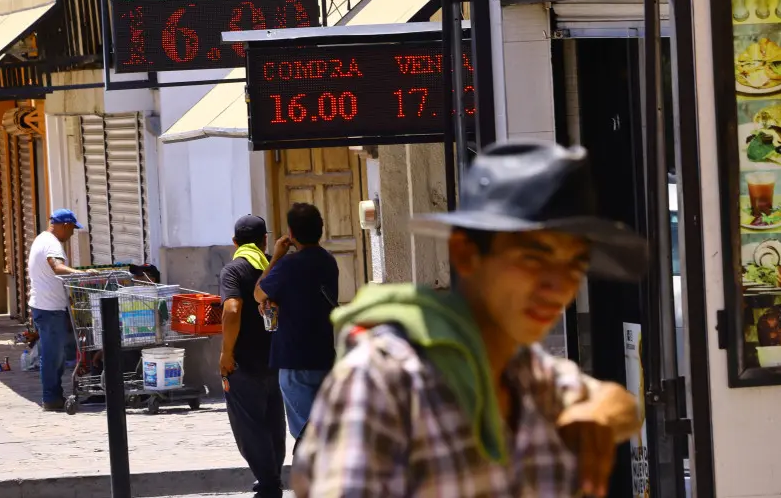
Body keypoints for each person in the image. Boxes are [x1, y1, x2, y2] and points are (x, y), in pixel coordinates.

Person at [293, 141, 649, 498]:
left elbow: (622, 404)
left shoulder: (532, 376)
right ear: (465, 253)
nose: (559, 286)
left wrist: (599, 416)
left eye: (575, 264)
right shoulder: (386, 381)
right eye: (533, 257)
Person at [254, 202, 338, 446]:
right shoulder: (328, 262)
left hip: (294, 358)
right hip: (323, 354)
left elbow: (258, 293)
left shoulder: (289, 265)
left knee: (306, 431)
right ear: (320, 229)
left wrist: (276, 257)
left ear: (290, 234)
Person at [219, 214, 286, 498]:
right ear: (264, 240)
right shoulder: (273, 265)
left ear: (235, 242)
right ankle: (272, 477)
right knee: (274, 422)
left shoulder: (233, 271)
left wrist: (226, 353)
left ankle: (268, 483)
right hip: (274, 358)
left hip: (244, 362)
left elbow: (232, 309)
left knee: (250, 426)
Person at [28, 208, 83, 412]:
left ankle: (55, 394)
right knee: (53, 355)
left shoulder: (42, 239)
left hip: (47, 306)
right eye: (71, 229)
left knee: (59, 352)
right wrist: (79, 274)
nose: (71, 234)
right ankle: (51, 397)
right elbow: (56, 267)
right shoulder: (52, 244)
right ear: (65, 225)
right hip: (49, 309)